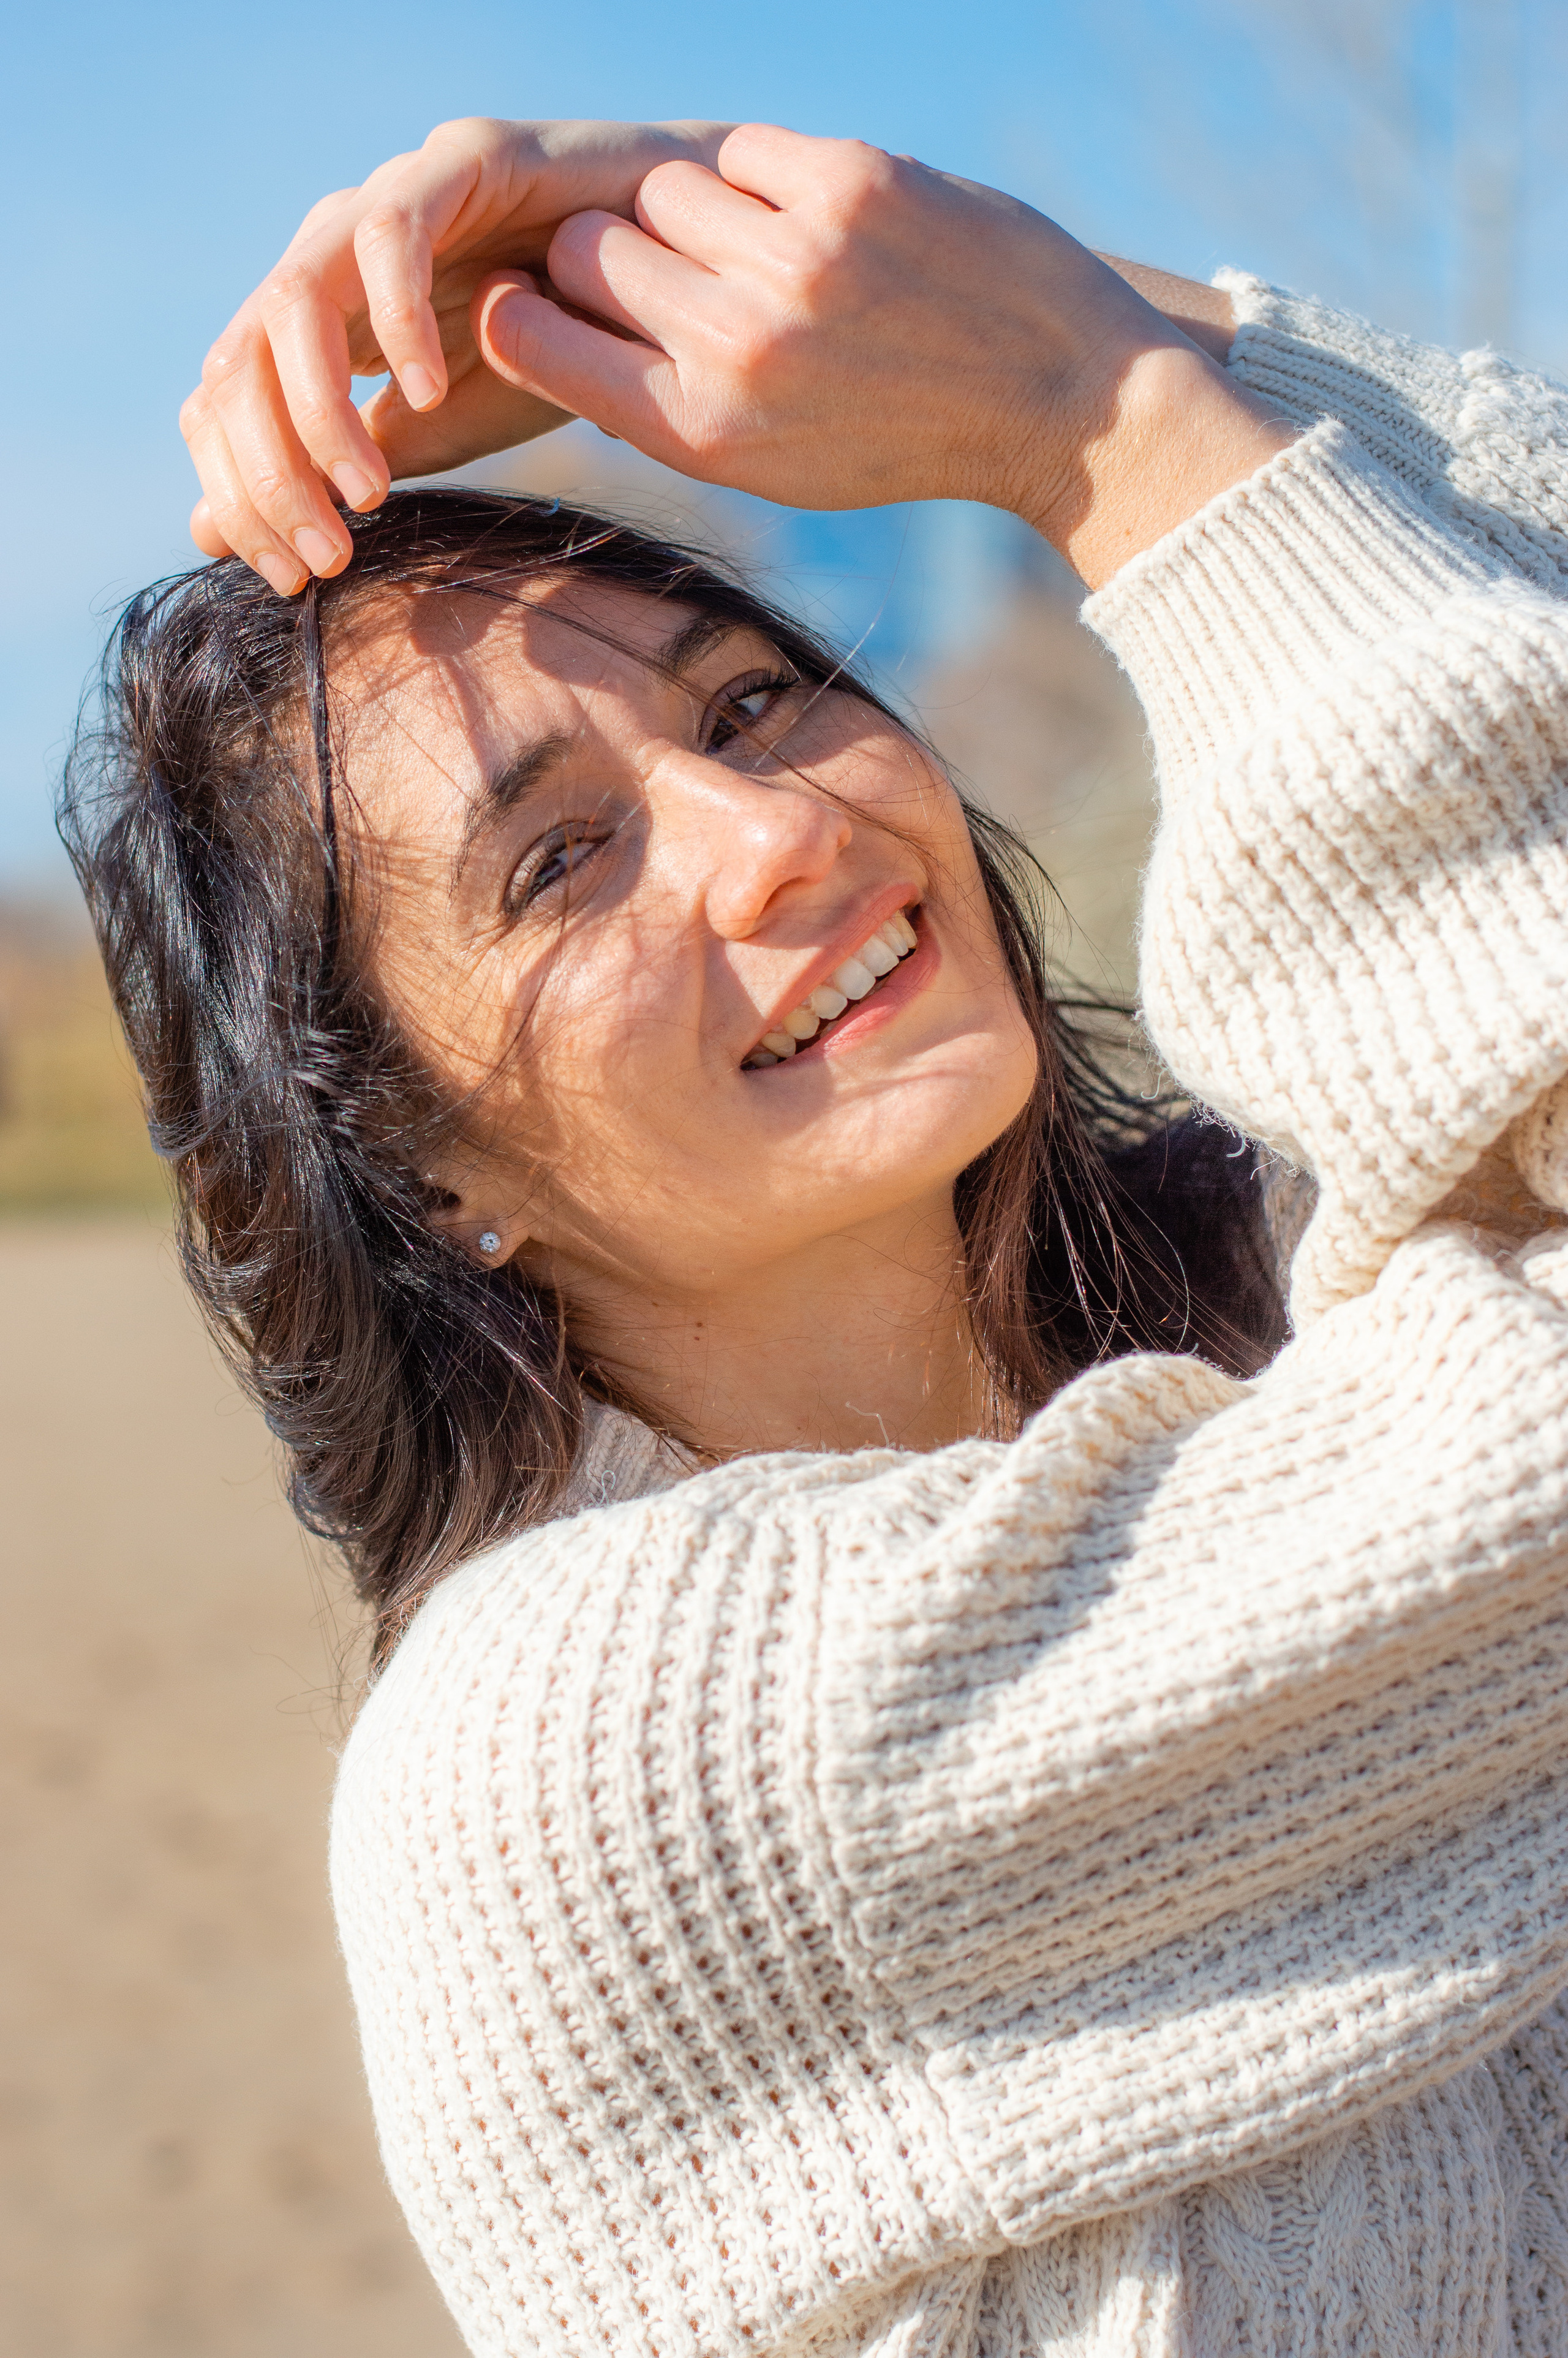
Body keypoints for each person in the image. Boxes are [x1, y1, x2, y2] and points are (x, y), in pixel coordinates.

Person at [66, 118, 1568, 2358]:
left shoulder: (1282, 1309)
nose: (776, 831)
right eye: (561, 865)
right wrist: (1104, 422)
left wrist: (1032, 308)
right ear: (418, 1174)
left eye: (755, 698)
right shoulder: (587, 1756)